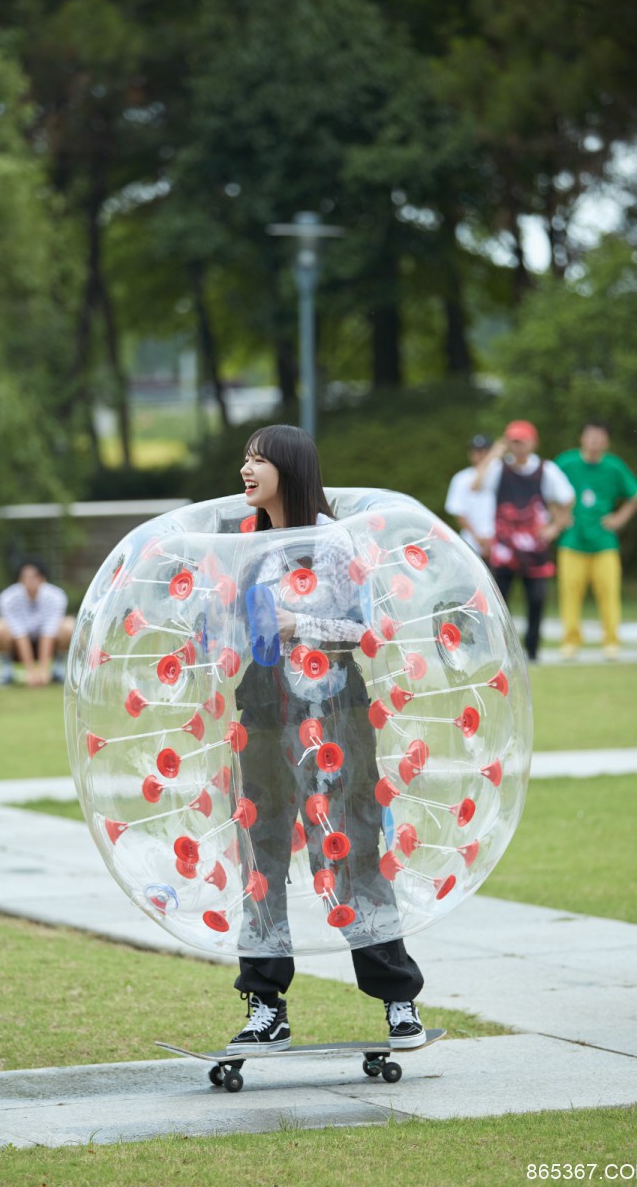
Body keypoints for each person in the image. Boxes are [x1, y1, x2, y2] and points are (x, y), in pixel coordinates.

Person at [229, 424, 425, 1054]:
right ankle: (265, 1005)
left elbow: (363, 628)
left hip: (332, 708)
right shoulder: (248, 544)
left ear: (289, 465)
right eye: (245, 458)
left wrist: (296, 622)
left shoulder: (332, 541)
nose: (247, 468)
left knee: (350, 845)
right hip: (261, 704)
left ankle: (398, 1000)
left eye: (260, 458)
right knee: (261, 854)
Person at [472, 420, 574, 661]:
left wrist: (554, 527)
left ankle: (533, 651)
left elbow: (567, 498)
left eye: (521, 441)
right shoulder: (499, 469)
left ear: (533, 443)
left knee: (537, 600)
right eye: (513, 442)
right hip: (504, 550)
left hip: (535, 550)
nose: (517, 447)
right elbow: (476, 485)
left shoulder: (545, 470)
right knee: (498, 602)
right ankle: (498, 651)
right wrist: (495, 454)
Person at [555, 422, 637, 660]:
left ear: (606, 442)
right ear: (581, 439)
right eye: (590, 437)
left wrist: (620, 517)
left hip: (604, 541)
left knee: (609, 593)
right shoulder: (566, 463)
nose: (595, 442)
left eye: (599, 438)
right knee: (570, 593)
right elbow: (544, 487)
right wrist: (558, 516)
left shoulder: (614, 466)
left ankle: (611, 641)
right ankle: (571, 641)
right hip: (572, 540)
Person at [0, 559, 75, 687]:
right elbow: (19, 632)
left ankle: (57, 669)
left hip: (49, 644)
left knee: (69, 626)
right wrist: (30, 671)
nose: (30, 580)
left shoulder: (56, 596)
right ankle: (7, 671)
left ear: (43, 578)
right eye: (26, 577)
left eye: (34, 576)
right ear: (19, 579)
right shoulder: (7, 598)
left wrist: (43, 670)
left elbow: (49, 630)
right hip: (17, 646)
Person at [444, 435, 496, 560]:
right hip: (471, 542)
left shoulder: (499, 474)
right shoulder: (461, 478)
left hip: (499, 541)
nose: (477, 455)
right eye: (474, 451)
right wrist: (478, 538)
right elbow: (459, 513)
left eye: (482, 452)